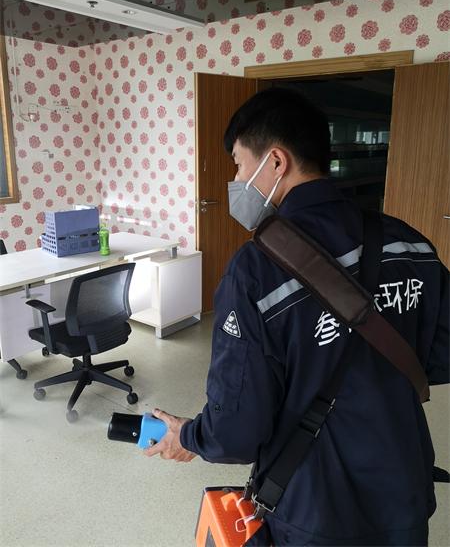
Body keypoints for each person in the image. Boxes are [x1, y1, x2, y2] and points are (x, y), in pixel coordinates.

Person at [145, 87, 449, 546]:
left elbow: (237, 430)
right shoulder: (408, 242)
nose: (236, 179)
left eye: (238, 164)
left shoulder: (256, 270)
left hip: (315, 504)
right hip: (402, 485)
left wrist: (188, 436)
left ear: (275, 162)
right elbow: (441, 354)